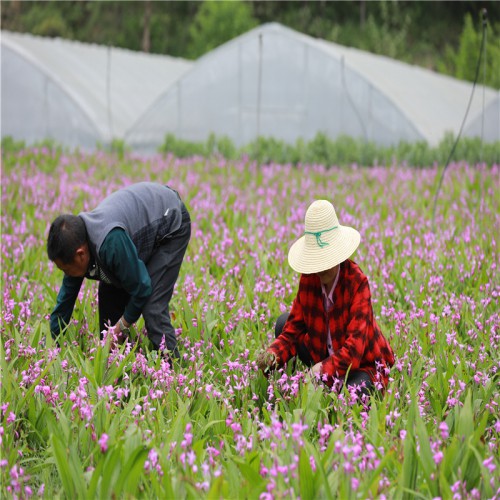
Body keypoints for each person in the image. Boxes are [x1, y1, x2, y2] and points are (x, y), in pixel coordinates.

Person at [256, 199, 394, 397]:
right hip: (322, 353)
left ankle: (327, 382)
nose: (321, 267)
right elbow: (292, 331)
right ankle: (319, 380)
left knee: (355, 391)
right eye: (317, 259)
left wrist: (320, 370)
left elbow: (354, 352)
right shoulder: (309, 279)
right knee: (282, 323)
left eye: (327, 258)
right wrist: (271, 356)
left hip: (361, 365)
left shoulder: (357, 283)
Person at [47, 182, 191, 360]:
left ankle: (171, 369)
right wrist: (51, 348)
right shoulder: (76, 241)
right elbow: (65, 301)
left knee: (152, 305)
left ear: (81, 254)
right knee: (109, 293)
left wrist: (121, 326)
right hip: (138, 229)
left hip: (169, 221)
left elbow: (142, 287)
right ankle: (118, 365)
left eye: (66, 269)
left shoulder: (110, 243)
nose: (66, 274)